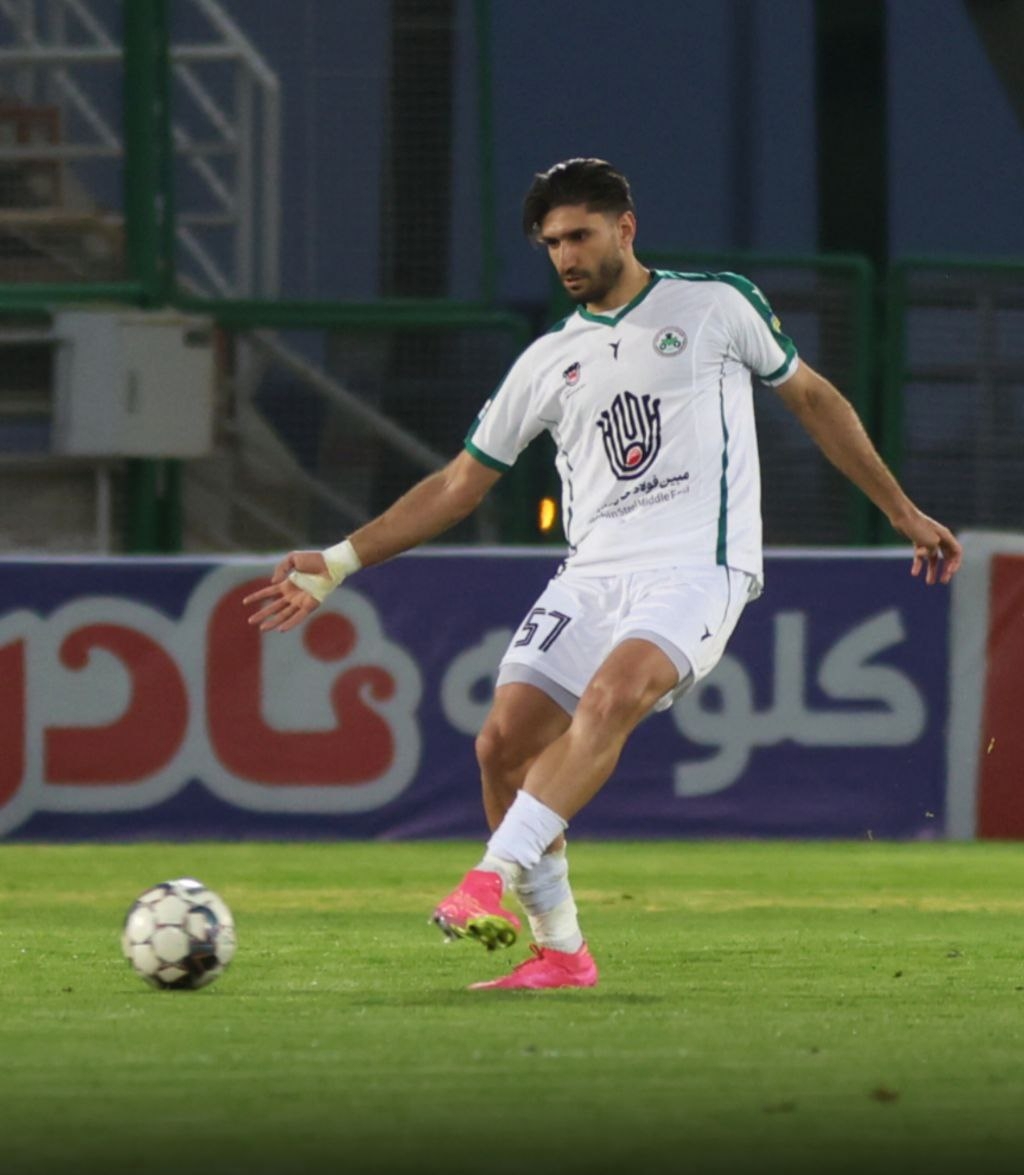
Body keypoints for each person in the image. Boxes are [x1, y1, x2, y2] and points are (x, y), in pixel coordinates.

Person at [244, 158, 962, 991]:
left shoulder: (715, 304)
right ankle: (561, 952)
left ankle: (489, 876)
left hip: (698, 565)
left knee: (612, 696)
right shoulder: (549, 359)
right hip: (591, 574)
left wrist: (901, 509)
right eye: (551, 243)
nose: (564, 256)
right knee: (501, 745)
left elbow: (815, 399)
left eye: (579, 235)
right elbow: (457, 484)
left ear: (626, 226)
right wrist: (338, 561)